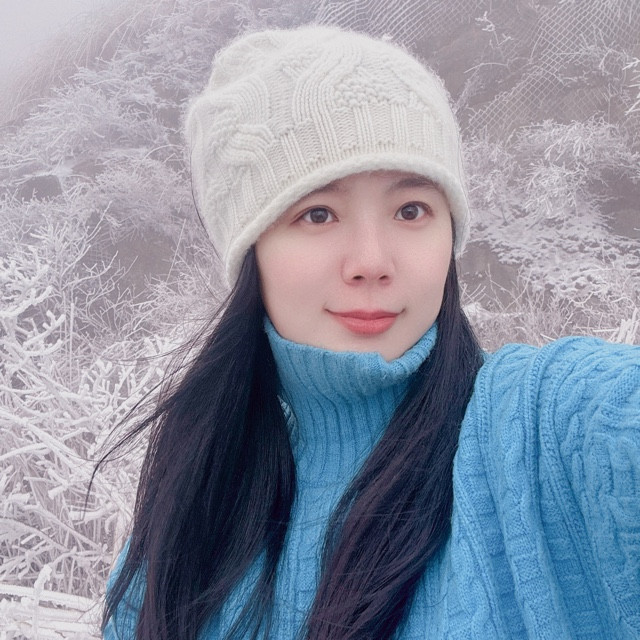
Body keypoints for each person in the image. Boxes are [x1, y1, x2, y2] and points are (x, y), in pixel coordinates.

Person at [101, 25, 640, 640]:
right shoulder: (181, 538)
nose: (372, 261)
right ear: (251, 251)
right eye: (318, 213)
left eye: (411, 210)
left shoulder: (542, 427)